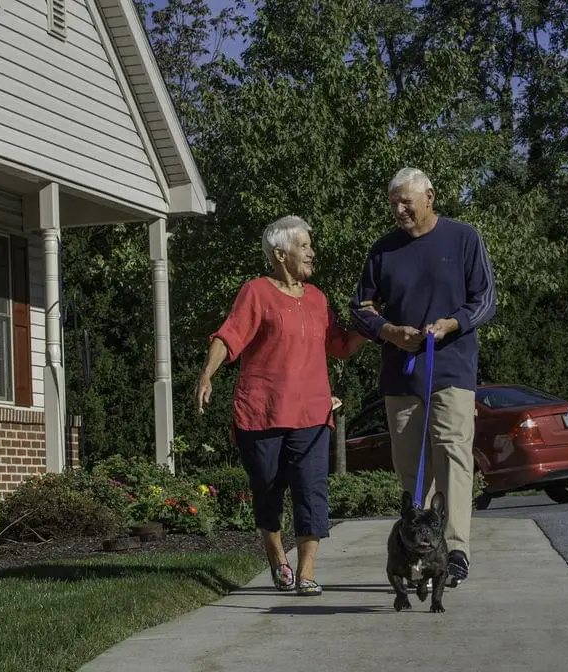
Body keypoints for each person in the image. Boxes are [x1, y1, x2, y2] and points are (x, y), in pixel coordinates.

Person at [196, 215, 366, 596]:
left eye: (309, 245)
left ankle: (307, 571)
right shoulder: (256, 292)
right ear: (279, 253)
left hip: (311, 413)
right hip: (263, 412)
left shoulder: (318, 299)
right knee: (267, 487)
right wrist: (207, 374)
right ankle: (276, 557)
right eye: (303, 245)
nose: (311, 251)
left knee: (312, 490)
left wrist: (372, 328)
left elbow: (339, 345)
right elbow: (229, 336)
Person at [349, 167, 496, 587]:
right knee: (411, 466)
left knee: (453, 453)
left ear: (430, 196)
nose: (398, 209)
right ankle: (418, 548)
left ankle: (455, 550)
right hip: (402, 374)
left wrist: (452, 324)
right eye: (393, 203)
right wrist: (391, 332)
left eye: (406, 201)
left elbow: (485, 300)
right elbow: (359, 308)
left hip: (451, 367)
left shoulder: (464, 238)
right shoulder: (383, 250)